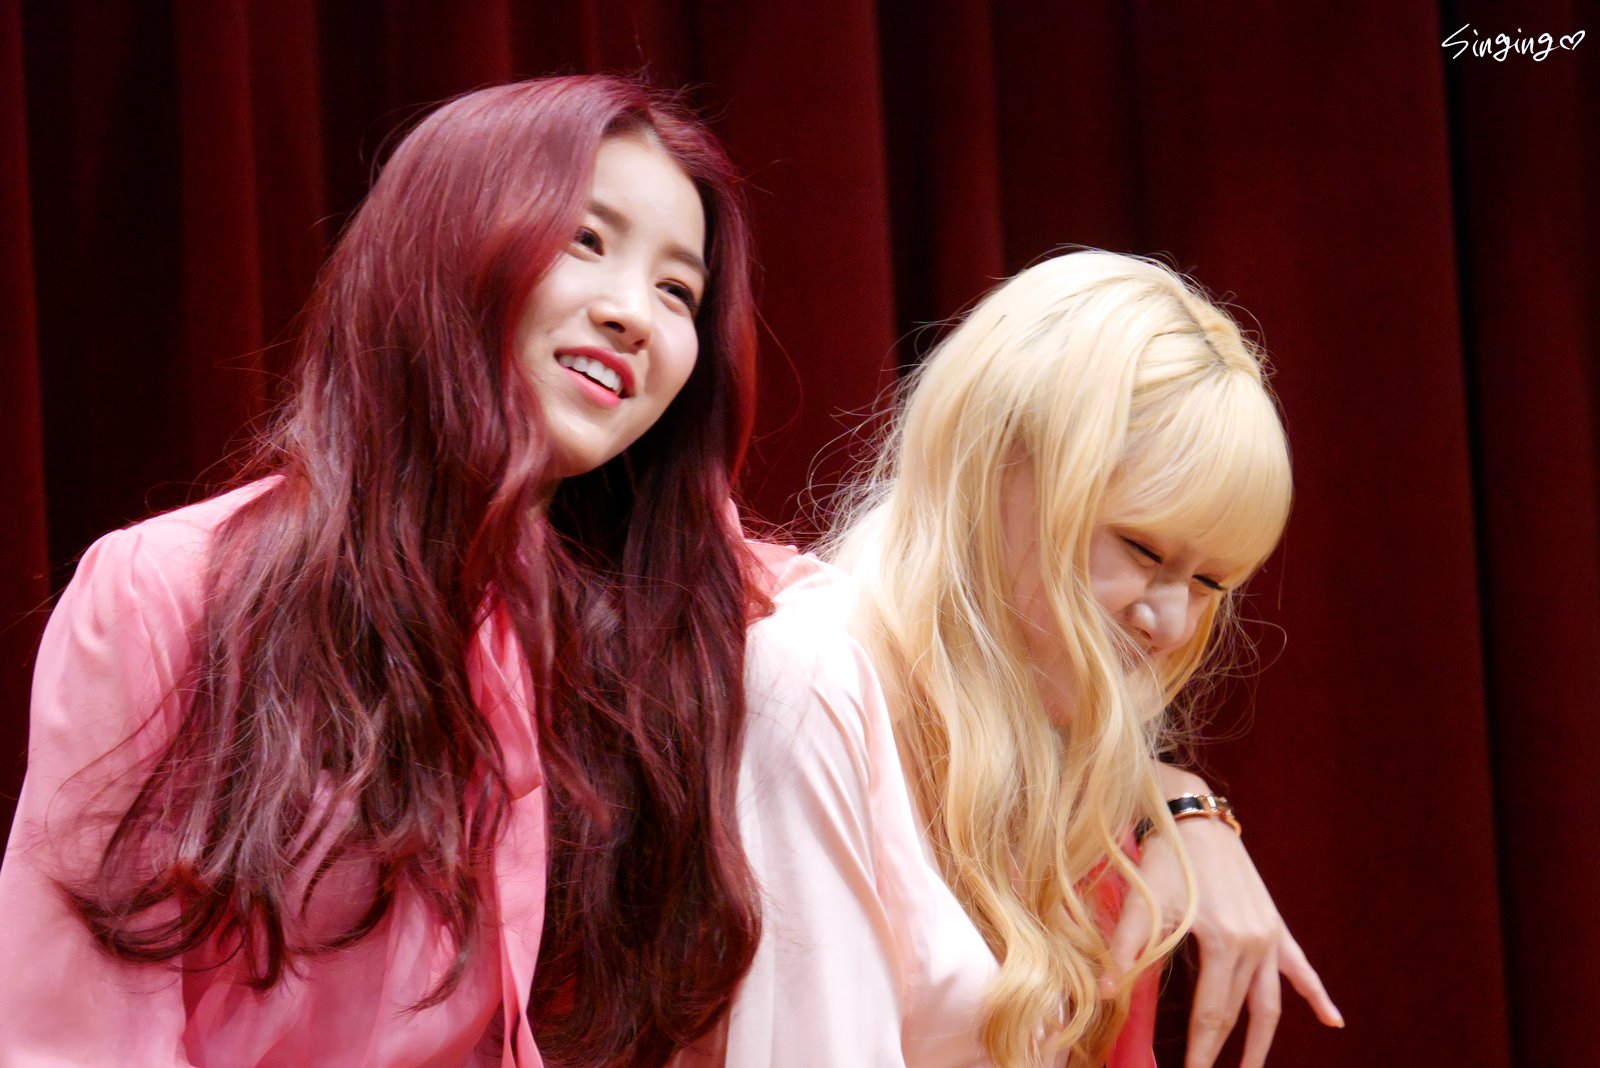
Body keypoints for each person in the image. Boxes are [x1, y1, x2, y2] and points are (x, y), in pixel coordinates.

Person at [0, 76, 770, 1067]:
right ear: (443, 245)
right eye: (586, 239)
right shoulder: (166, 590)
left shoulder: (662, 615)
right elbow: (78, 1039)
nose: (634, 315)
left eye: (677, 291)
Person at [711, 251, 1342, 1067]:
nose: (1172, 622)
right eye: (1144, 549)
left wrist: (1183, 806)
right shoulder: (801, 678)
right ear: (998, 461)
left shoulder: (1086, 800)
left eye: (1210, 583)